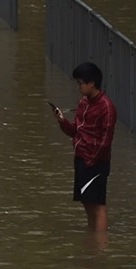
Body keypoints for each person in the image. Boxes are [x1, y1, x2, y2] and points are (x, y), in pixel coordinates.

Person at [51, 61, 117, 233]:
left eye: (80, 83)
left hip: (95, 162)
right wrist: (62, 121)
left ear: (91, 83)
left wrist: (92, 160)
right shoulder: (83, 104)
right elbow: (75, 131)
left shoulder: (106, 107)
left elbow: (106, 140)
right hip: (81, 158)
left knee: (98, 204)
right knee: (86, 201)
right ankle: (92, 235)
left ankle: (101, 243)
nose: (78, 86)